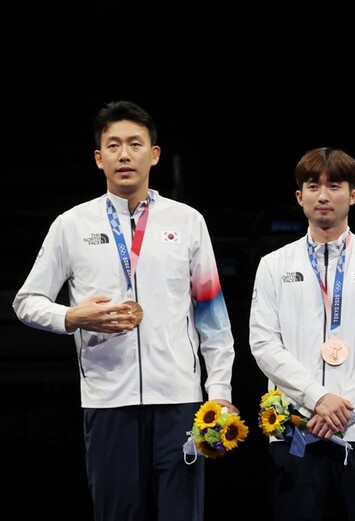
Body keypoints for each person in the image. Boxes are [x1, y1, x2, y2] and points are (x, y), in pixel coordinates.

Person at [12, 100, 239, 521]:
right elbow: (25, 302)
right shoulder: (71, 225)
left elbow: (212, 319)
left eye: (135, 143)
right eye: (113, 145)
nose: (124, 154)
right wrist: (71, 317)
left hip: (180, 403)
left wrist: (220, 394)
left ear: (154, 154)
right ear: (99, 159)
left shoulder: (187, 221)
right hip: (107, 401)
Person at [249, 146, 355, 521]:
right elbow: (263, 342)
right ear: (299, 196)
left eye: (334, 185)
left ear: (353, 195)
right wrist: (318, 398)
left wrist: (341, 408)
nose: (323, 195)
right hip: (295, 426)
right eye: (313, 185)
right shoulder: (273, 266)